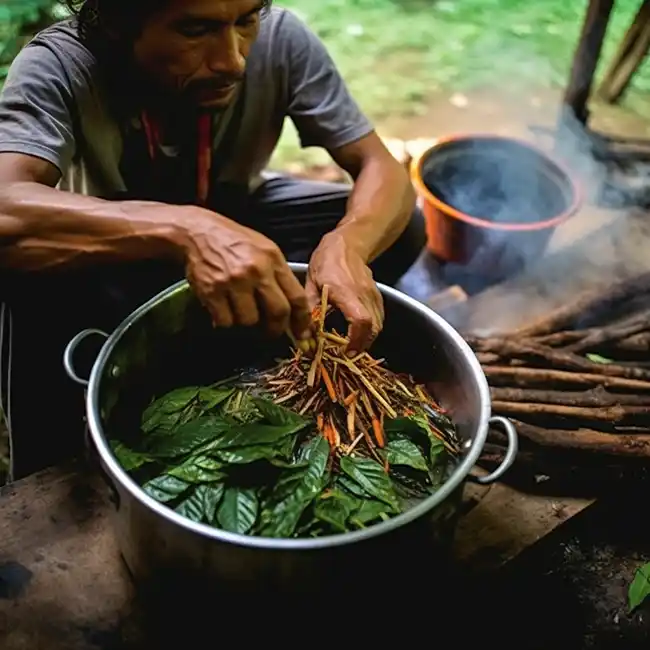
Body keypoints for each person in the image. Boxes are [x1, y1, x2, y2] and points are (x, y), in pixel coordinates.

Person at [0, 0, 425, 479]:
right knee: (24, 266)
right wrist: (187, 229)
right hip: (117, 246)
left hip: (241, 219)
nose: (233, 60)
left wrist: (348, 246)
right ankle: (46, 479)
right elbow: (5, 203)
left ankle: (284, 357)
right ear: (119, 26)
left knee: (397, 225)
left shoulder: (280, 38)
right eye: (194, 29)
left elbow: (380, 166)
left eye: (245, 21)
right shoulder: (62, 64)